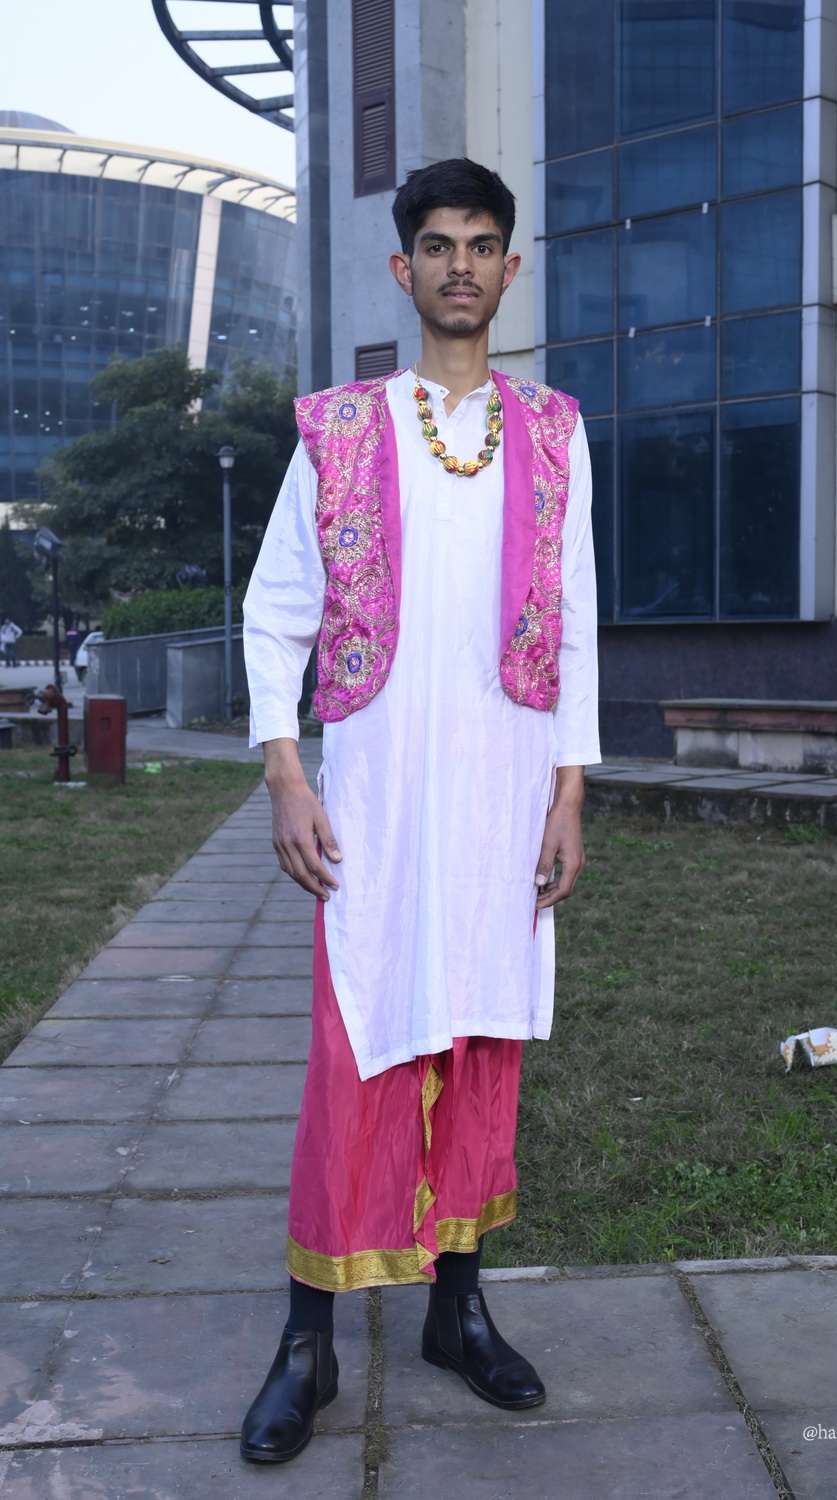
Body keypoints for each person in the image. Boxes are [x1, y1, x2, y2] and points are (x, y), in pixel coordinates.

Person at [238, 157, 601, 1466]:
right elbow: (276, 609)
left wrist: (568, 792)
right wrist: (286, 773)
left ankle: (459, 1310)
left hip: (503, 798)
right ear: (404, 270)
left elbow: (576, 622)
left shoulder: (553, 432)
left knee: (481, 1045)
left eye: (482, 244)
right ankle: (308, 1343)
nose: (460, 264)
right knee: (359, 1052)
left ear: (510, 269)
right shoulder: (342, 430)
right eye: (437, 244)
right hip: (379, 803)